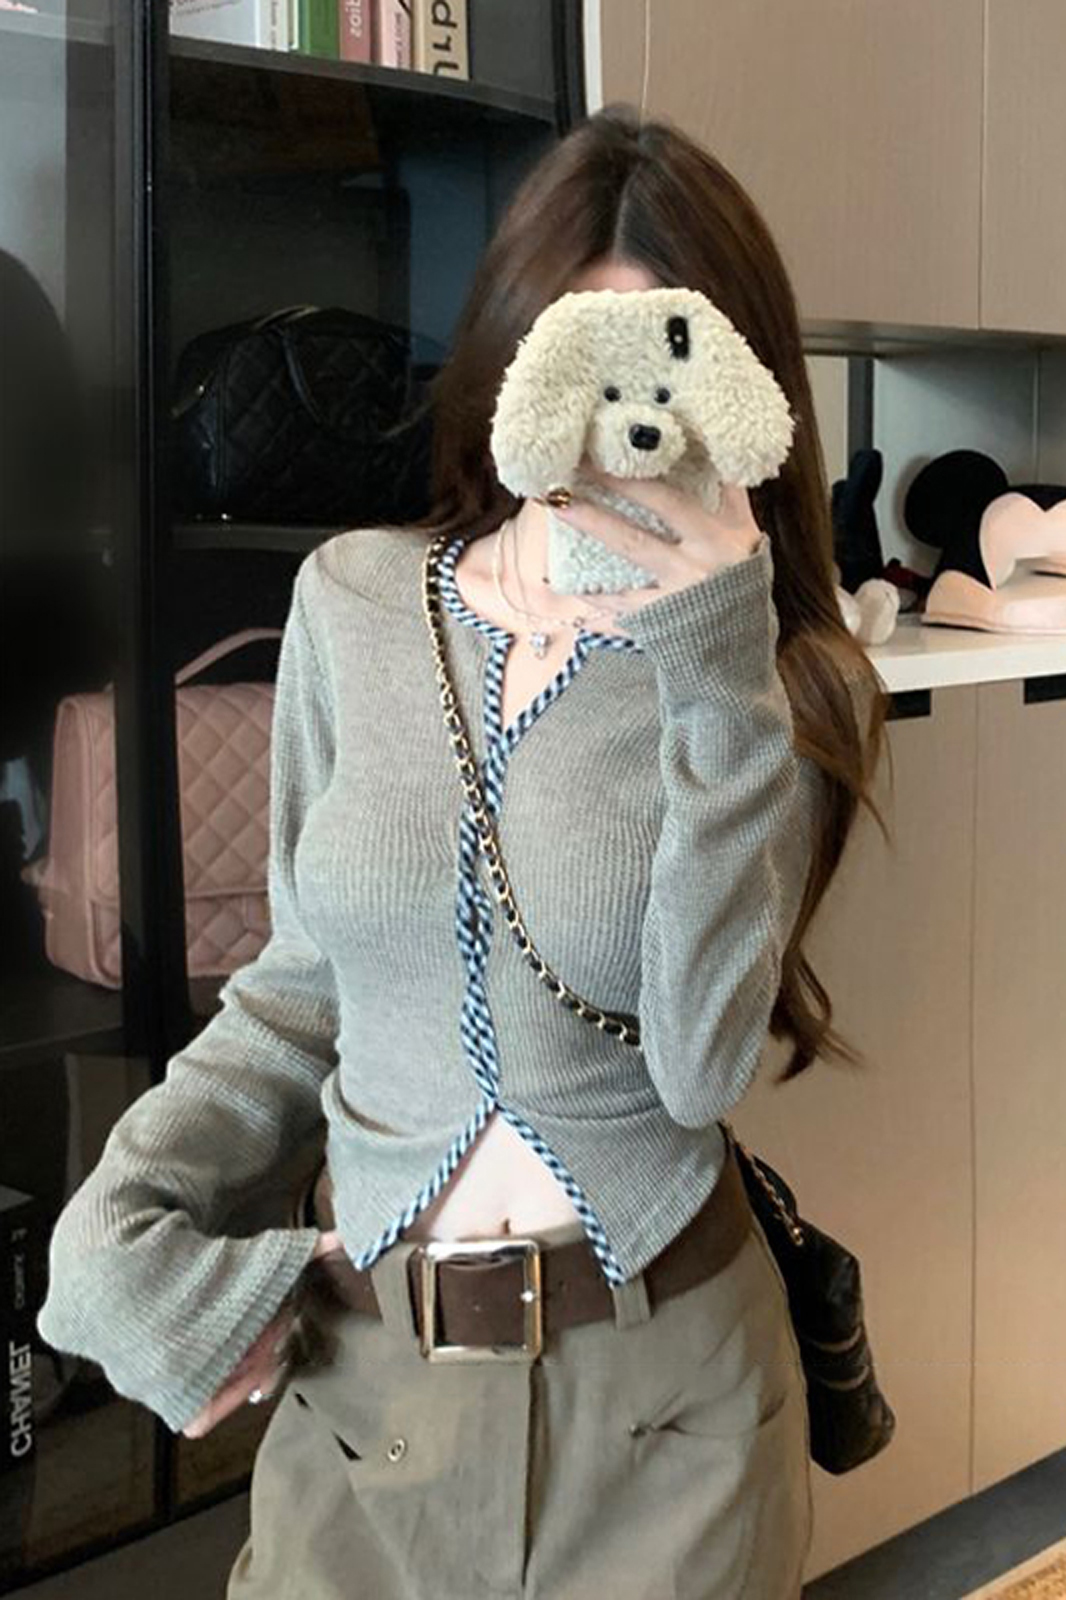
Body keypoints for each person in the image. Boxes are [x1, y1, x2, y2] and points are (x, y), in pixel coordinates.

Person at [35, 104, 887, 1599]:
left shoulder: (782, 680)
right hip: (369, 1386)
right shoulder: (355, 603)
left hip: (667, 1401)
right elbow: (302, 989)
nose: (620, 432)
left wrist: (718, 667)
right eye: (578, 359)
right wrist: (116, 1219)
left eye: (667, 370)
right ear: (509, 363)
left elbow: (700, 1065)